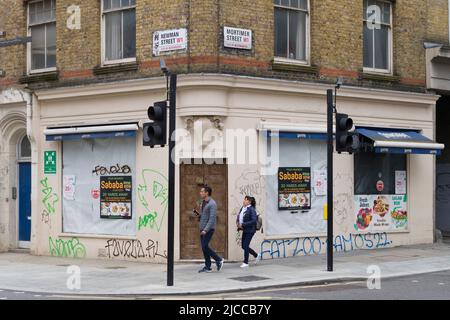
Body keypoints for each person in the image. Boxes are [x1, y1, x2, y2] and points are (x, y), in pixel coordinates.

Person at [196, 185, 224, 273]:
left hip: (208, 229)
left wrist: (206, 230)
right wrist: (199, 215)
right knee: (204, 247)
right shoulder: (203, 202)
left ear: (206, 193)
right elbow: (205, 215)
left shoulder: (212, 204)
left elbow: (212, 219)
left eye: (202, 191)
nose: (200, 193)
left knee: (204, 246)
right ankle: (208, 267)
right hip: (202, 228)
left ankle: (218, 259)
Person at [236, 196, 260, 268]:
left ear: (249, 201)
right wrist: (237, 222)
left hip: (250, 230)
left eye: (245, 200)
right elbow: (239, 216)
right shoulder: (243, 208)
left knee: (245, 245)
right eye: (244, 199)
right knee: (243, 246)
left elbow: (253, 220)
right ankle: (256, 255)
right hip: (245, 229)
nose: (244, 201)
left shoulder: (251, 209)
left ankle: (246, 262)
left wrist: (243, 224)